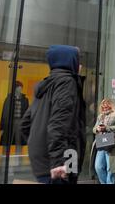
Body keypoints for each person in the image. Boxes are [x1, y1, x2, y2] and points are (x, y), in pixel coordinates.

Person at [21, 45, 86, 184]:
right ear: (69, 61)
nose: (79, 64)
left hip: (47, 159)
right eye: (77, 60)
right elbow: (59, 123)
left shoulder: (46, 85)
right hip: (62, 159)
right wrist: (57, 161)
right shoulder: (67, 82)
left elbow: (25, 125)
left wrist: (40, 147)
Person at [91, 98, 115, 184]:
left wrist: (107, 128)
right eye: (103, 106)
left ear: (110, 105)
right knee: (98, 166)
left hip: (111, 144)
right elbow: (93, 129)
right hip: (101, 143)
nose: (104, 107)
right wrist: (97, 129)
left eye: (106, 105)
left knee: (110, 168)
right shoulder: (100, 116)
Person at [0, 81, 29, 151]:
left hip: (20, 122)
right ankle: (5, 157)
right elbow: (4, 113)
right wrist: (2, 127)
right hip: (10, 122)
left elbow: (27, 113)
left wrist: (27, 125)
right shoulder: (9, 98)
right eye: (18, 88)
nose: (20, 89)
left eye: (21, 88)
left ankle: (18, 158)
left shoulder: (25, 100)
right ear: (15, 88)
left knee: (19, 141)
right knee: (7, 141)